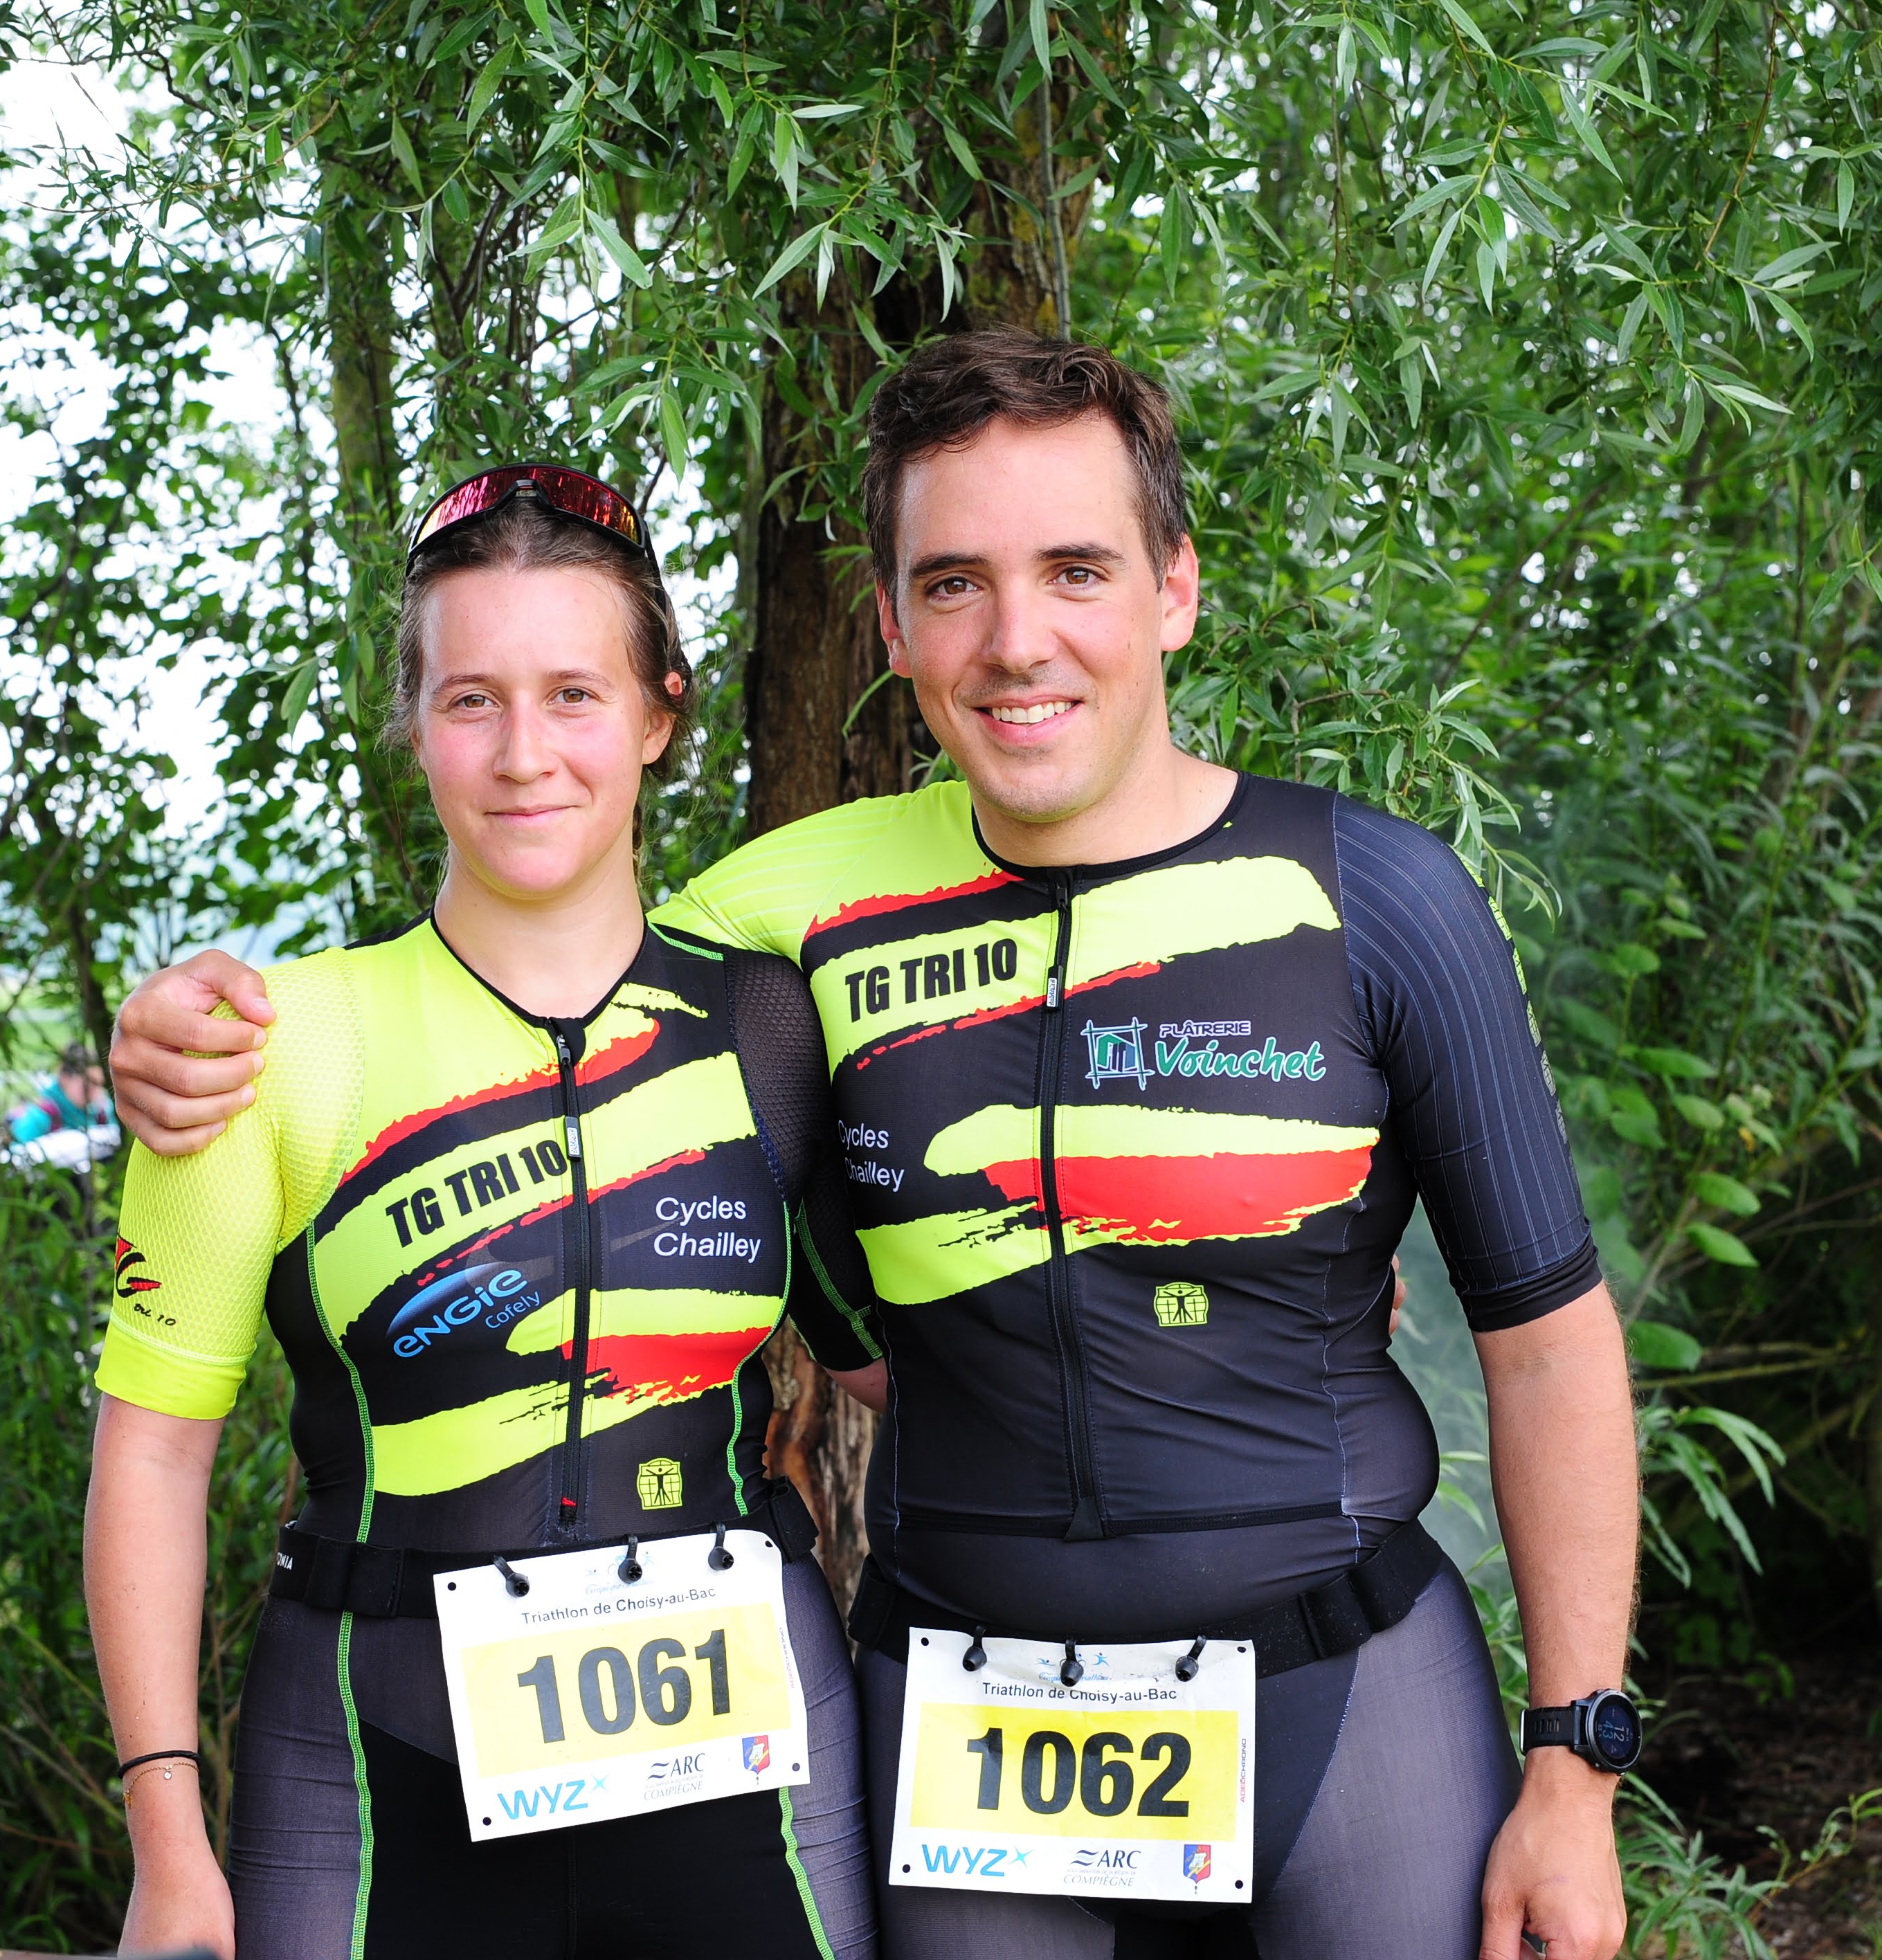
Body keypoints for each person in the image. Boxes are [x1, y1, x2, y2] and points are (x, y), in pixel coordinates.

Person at [110, 336, 1643, 1960]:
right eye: (955, 584)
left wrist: (1576, 1762)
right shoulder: (784, 916)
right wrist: (184, 1033)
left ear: (1175, 590)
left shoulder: (1380, 897)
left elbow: (1549, 1345)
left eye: (1075, 569)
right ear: (897, 629)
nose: (1017, 639)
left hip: (1348, 1683)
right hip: (966, 1698)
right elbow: (542, 956)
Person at [84, 466, 878, 1960]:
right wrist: (167, 1845)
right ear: (412, 724)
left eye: (575, 694)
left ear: (659, 716)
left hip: (749, 1756)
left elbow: (910, 1368)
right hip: (370, 1753)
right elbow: (152, 1452)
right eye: (471, 701)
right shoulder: (263, 1049)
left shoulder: (770, 1031)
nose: (525, 755)